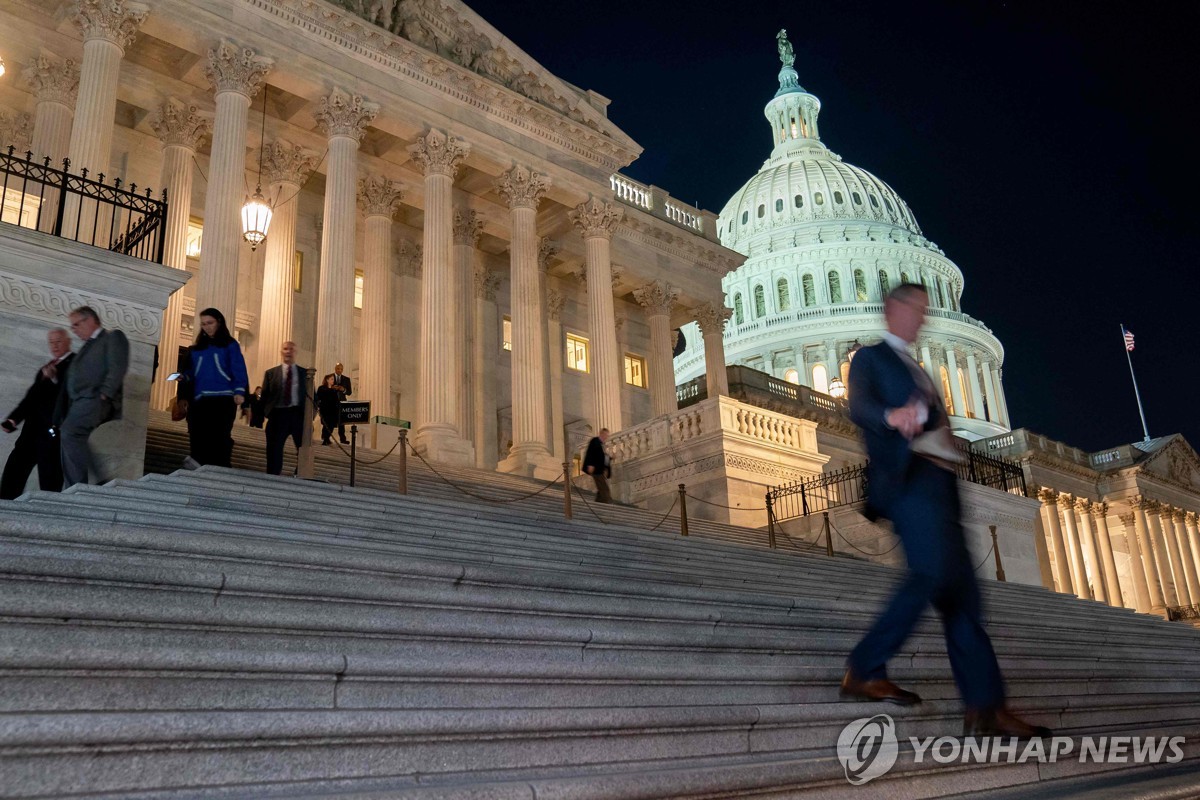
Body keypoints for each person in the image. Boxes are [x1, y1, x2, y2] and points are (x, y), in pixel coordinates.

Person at [840, 283, 1050, 739]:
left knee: (964, 602)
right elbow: (860, 406)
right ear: (892, 310)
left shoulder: (918, 369)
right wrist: (892, 417)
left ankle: (986, 707)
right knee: (929, 577)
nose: (922, 318)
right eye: (915, 308)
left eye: (924, 310)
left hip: (940, 489)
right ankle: (864, 666)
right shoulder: (870, 358)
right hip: (909, 485)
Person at [54, 306, 129, 489]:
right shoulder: (88, 346)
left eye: (76, 325)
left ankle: (77, 486)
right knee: (74, 436)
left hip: (94, 398)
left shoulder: (112, 337)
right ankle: (98, 478)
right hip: (80, 401)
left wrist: (105, 393)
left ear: (90, 320)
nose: (74, 330)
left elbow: (118, 365)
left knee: (70, 433)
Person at [0, 329, 75, 499]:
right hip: (30, 432)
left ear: (68, 341)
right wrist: (13, 420)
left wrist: (54, 379)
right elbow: (31, 398)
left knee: (50, 481)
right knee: (13, 473)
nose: (54, 346)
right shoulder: (46, 368)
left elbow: (71, 394)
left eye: (58, 341)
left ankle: (49, 517)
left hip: (52, 432)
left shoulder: (75, 363)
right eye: (51, 342)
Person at [176, 308, 248, 469]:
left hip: (223, 398)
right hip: (201, 398)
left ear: (219, 322)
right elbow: (191, 373)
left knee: (219, 435)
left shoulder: (230, 345)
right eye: (203, 324)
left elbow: (238, 368)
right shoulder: (197, 349)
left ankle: (220, 466)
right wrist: (183, 378)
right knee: (197, 432)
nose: (207, 327)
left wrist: (239, 392)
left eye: (210, 323)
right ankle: (198, 462)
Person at [261, 341, 309, 476]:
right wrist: (267, 413)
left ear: (295, 352)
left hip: (297, 415)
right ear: (281, 351)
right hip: (278, 414)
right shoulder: (271, 373)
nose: (288, 351)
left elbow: (312, 397)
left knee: (303, 449)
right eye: (285, 349)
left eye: (291, 349)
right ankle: (273, 476)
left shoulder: (305, 374)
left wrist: (310, 417)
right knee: (274, 449)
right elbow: (265, 396)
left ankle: (300, 474)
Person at [583, 427, 612, 504]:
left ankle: (599, 501)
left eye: (607, 435)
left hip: (600, 469)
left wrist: (606, 468)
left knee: (601, 486)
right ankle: (604, 502)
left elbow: (603, 457)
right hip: (595, 468)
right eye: (605, 435)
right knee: (604, 488)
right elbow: (590, 453)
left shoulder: (602, 444)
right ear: (601, 434)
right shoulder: (595, 441)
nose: (606, 437)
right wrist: (590, 465)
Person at [315, 373, 341, 446]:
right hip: (325, 410)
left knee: (332, 425)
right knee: (326, 425)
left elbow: (336, 400)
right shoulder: (321, 388)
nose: (333, 381)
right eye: (332, 379)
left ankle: (327, 438)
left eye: (333, 379)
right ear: (327, 380)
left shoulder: (334, 390)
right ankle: (325, 439)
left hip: (333, 411)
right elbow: (318, 398)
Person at [331, 362, 352, 444]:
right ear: (335, 369)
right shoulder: (330, 377)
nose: (339, 370)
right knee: (330, 420)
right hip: (332, 402)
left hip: (342, 403)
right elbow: (324, 388)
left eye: (341, 369)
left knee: (341, 421)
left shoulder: (346, 379)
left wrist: (343, 390)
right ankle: (326, 437)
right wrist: (332, 388)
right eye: (338, 369)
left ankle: (342, 439)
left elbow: (349, 392)